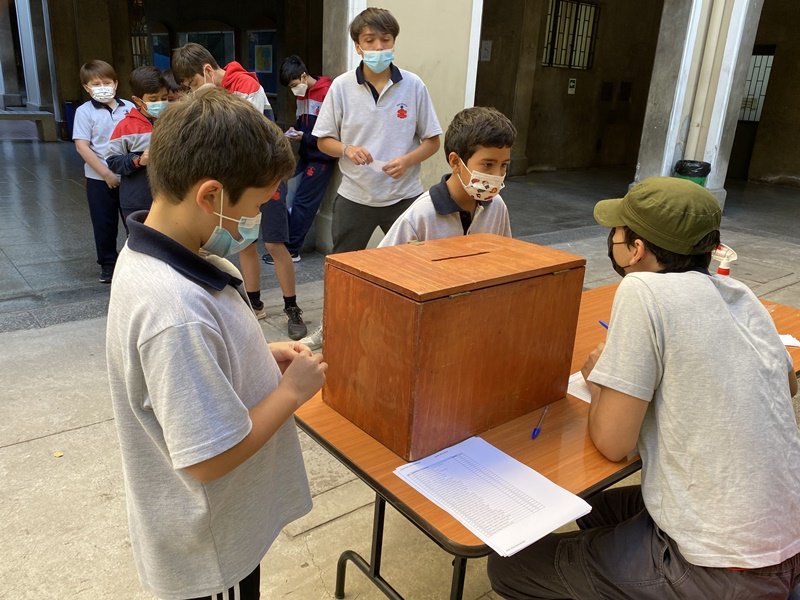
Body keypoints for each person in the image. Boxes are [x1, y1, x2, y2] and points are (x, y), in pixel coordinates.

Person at [487, 177, 800, 600]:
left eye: (617, 233)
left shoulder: (641, 288)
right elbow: (788, 385)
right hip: (786, 536)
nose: (613, 241)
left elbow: (614, 444)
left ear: (635, 249)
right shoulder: (738, 292)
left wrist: (603, 379)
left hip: (725, 569)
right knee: (597, 507)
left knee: (510, 567)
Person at [106, 86, 327, 600]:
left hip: (219, 526)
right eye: (257, 205)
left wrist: (258, 355)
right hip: (211, 545)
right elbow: (207, 458)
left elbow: (190, 369)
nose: (256, 222)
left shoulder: (162, 253)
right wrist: (291, 393)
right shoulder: (175, 312)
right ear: (210, 196)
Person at [303, 6, 442, 349]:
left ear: (394, 42)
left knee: (412, 267)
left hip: (405, 197)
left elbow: (433, 140)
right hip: (356, 196)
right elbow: (323, 140)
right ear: (358, 45)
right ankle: (332, 327)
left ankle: (409, 330)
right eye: (370, 40)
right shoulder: (341, 87)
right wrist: (347, 149)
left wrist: (408, 160)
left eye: (385, 39)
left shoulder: (413, 85)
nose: (378, 47)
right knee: (343, 268)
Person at [172, 43, 307, 339]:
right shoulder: (218, 93)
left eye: (193, 83)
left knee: (275, 244)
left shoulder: (245, 85)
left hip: (265, 179)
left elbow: (241, 139)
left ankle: (291, 306)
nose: (193, 91)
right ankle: (254, 303)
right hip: (237, 184)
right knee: (245, 243)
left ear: (207, 70)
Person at [378, 106, 515, 247]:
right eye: (488, 164)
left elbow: (505, 253)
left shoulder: (497, 206)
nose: (498, 174)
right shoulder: (420, 215)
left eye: (504, 165)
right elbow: (383, 259)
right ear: (455, 162)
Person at [267, 54, 336, 262]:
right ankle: (285, 246)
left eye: (294, 84)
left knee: (303, 202)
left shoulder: (327, 92)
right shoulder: (302, 96)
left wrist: (303, 136)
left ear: (304, 76)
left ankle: (292, 250)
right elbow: (302, 123)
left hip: (322, 157)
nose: (293, 90)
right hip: (306, 153)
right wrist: (294, 130)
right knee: (289, 197)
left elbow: (331, 131)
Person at [72, 59, 133, 283]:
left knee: (133, 220)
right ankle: (108, 264)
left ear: (115, 83)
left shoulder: (130, 107)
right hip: (98, 177)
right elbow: (82, 146)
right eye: (96, 84)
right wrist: (106, 174)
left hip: (129, 175)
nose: (102, 87)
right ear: (86, 87)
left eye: (107, 82)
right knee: (103, 222)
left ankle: (135, 262)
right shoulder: (84, 112)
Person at [106, 66, 168, 221]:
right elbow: (112, 161)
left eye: (164, 98)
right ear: (137, 100)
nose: (160, 103)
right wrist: (138, 160)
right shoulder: (125, 127)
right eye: (153, 99)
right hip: (137, 201)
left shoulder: (173, 122)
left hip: (168, 199)